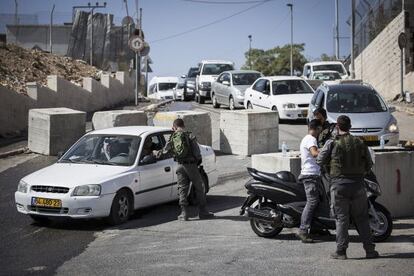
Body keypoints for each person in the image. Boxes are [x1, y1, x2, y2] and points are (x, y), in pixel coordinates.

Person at [317, 115, 379, 260]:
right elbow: (369, 164)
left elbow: (319, 160)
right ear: (350, 127)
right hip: (358, 186)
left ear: (337, 127)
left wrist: (329, 166)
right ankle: (370, 250)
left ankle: (341, 251)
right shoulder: (359, 142)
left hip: (339, 186)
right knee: (362, 218)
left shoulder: (332, 143)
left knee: (341, 219)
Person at [155, 118, 214, 221]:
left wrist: (156, 153)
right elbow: (197, 153)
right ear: (183, 125)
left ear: (174, 127)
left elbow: (165, 151)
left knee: (182, 189)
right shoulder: (189, 135)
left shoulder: (173, 137)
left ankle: (184, 213)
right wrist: (197, 162)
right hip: (191, 165)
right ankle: (203, 212)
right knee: (199, 187)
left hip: (179, 165)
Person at [296, 119, 323, 243]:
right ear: (317, 128)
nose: (321, 131)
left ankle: (316, 227)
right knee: (312, 202)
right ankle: (303, 230)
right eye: (320, 129)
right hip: (310, 175)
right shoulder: (311, 139)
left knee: (318, 201)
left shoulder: (307, 138)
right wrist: (326, 151)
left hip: (313, 174)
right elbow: (314, 153)